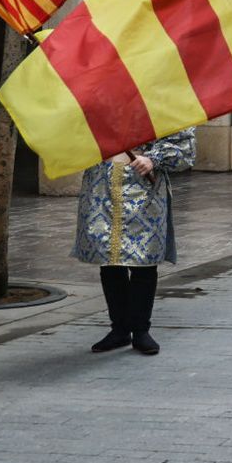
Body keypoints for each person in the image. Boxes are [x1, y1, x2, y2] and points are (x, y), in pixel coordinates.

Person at [74, 128, 197, 356]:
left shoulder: (162, 100)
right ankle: (119, 329)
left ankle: (141, 330)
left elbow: (185, 148)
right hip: (102, 184)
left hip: (144, 190)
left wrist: (153, 158)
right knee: (109, 260)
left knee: (144, 261)